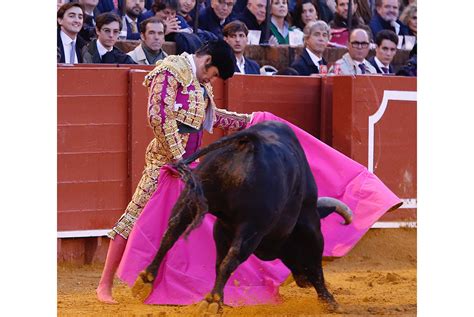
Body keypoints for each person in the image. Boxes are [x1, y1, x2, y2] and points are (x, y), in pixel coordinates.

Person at [96, 39, 253, 304]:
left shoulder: (199, 82)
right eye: (213, 74)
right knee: (133, 217)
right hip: (164, 166)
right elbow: (158, 115)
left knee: (199, 225)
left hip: (190, 168)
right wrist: (177, 157)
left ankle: (178, 286)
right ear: (207, 61)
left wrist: (248, 122)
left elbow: (212, 118)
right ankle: (104, 285)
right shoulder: (170, 70)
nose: (211, 80)